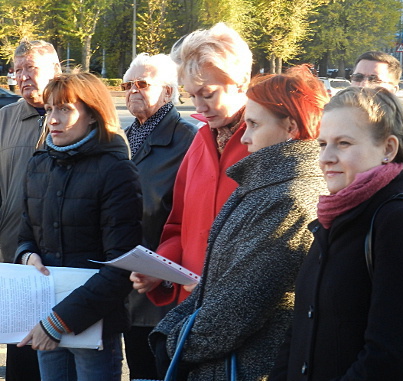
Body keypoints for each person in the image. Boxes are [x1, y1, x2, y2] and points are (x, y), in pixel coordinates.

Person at [150, 65, 328, 380]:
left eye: (255, 125)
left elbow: (239, 305)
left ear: (290, 126)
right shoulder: (263, 184)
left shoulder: (289, 199)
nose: (244, 137)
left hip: (242, 367)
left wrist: (174, 344)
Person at [271, 87, 403, 380]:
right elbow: (300, 330)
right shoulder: (334, 217)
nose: (326, 157)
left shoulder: (398, 223)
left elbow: (390, 357)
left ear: (388, 149)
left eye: (344, 143)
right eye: (323, 144)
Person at [15, 72, 143, 381]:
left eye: (65, 109)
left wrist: (59, 321)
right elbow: (25, 233)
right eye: (49, 109)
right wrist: (27, 255)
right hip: (44, 315)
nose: (53, 120)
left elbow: (121, 266)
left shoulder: (116, 172)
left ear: (92, 114)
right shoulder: (39, 163)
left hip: (93, 329)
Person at [130, 22, 251, 310]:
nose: (200, 106)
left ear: (242, 82)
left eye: (207, 94)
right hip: (191, 306)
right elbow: (179, 226)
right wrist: (159, 268)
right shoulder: (200, 140)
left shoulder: (264, 143)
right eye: (192, 95)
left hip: (237, 308)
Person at [121, 52, 197, 381]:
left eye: (142, 84)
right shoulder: (122, 137)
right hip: (126, 285)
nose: (132, 91)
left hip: (164, 289)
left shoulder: (187, 138)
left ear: (168, 91)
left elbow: (186, 216)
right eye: (127, 84)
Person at [0, 38, 61, 381]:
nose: (22, 77)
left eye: (31, 69)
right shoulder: (4, 119)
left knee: (61, 355)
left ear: (55, 70)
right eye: (17, 70)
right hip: (14, 261)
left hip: (64, 261)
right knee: (21, 354)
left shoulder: (79, 116)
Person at [350, 51, 403, 192]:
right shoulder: (329, 126)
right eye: (358, 77)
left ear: (394, 89)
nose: (364, 85)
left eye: (375, 80)